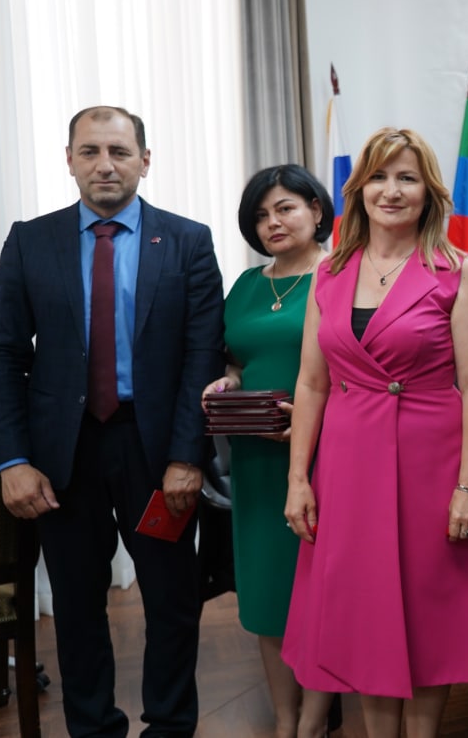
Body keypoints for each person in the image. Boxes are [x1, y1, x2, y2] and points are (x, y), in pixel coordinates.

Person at [0, 105, 225, 737]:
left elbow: (201, 356)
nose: (105, 165)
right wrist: (12, 460)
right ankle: (93, 729)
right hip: (62, 454)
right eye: (89, 151)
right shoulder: (31, 241)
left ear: (145, 160)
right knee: (76, 605)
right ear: (69, 161)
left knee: (171, 601)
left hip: (156, 450)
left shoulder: (188, 240)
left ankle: (169, 726)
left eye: (119, 151)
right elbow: (3, 357)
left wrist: (187, 456)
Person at [281, 126, 468, 738]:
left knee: (429, 611)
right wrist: (298, 478)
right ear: (359, 190)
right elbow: (311, 383)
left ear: (428, 192)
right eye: (379, 177)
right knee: (364, 613)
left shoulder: (457, 272)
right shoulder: (329, 273)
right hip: (347, 467)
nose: (392, 190)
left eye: (407, 178)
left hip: (432, 464)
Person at [202, 164, 335, 738]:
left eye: (285, 208)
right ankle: (284, 720)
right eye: (261, 215)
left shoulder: (343, 274)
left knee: (321, 592)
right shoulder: (246, 284)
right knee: (266, 594)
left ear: (316, 210)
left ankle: (314, 720)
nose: (272, 223)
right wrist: (228, 382)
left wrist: (309, 417)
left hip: (326, 454)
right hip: (256, 458)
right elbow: (237, 358)